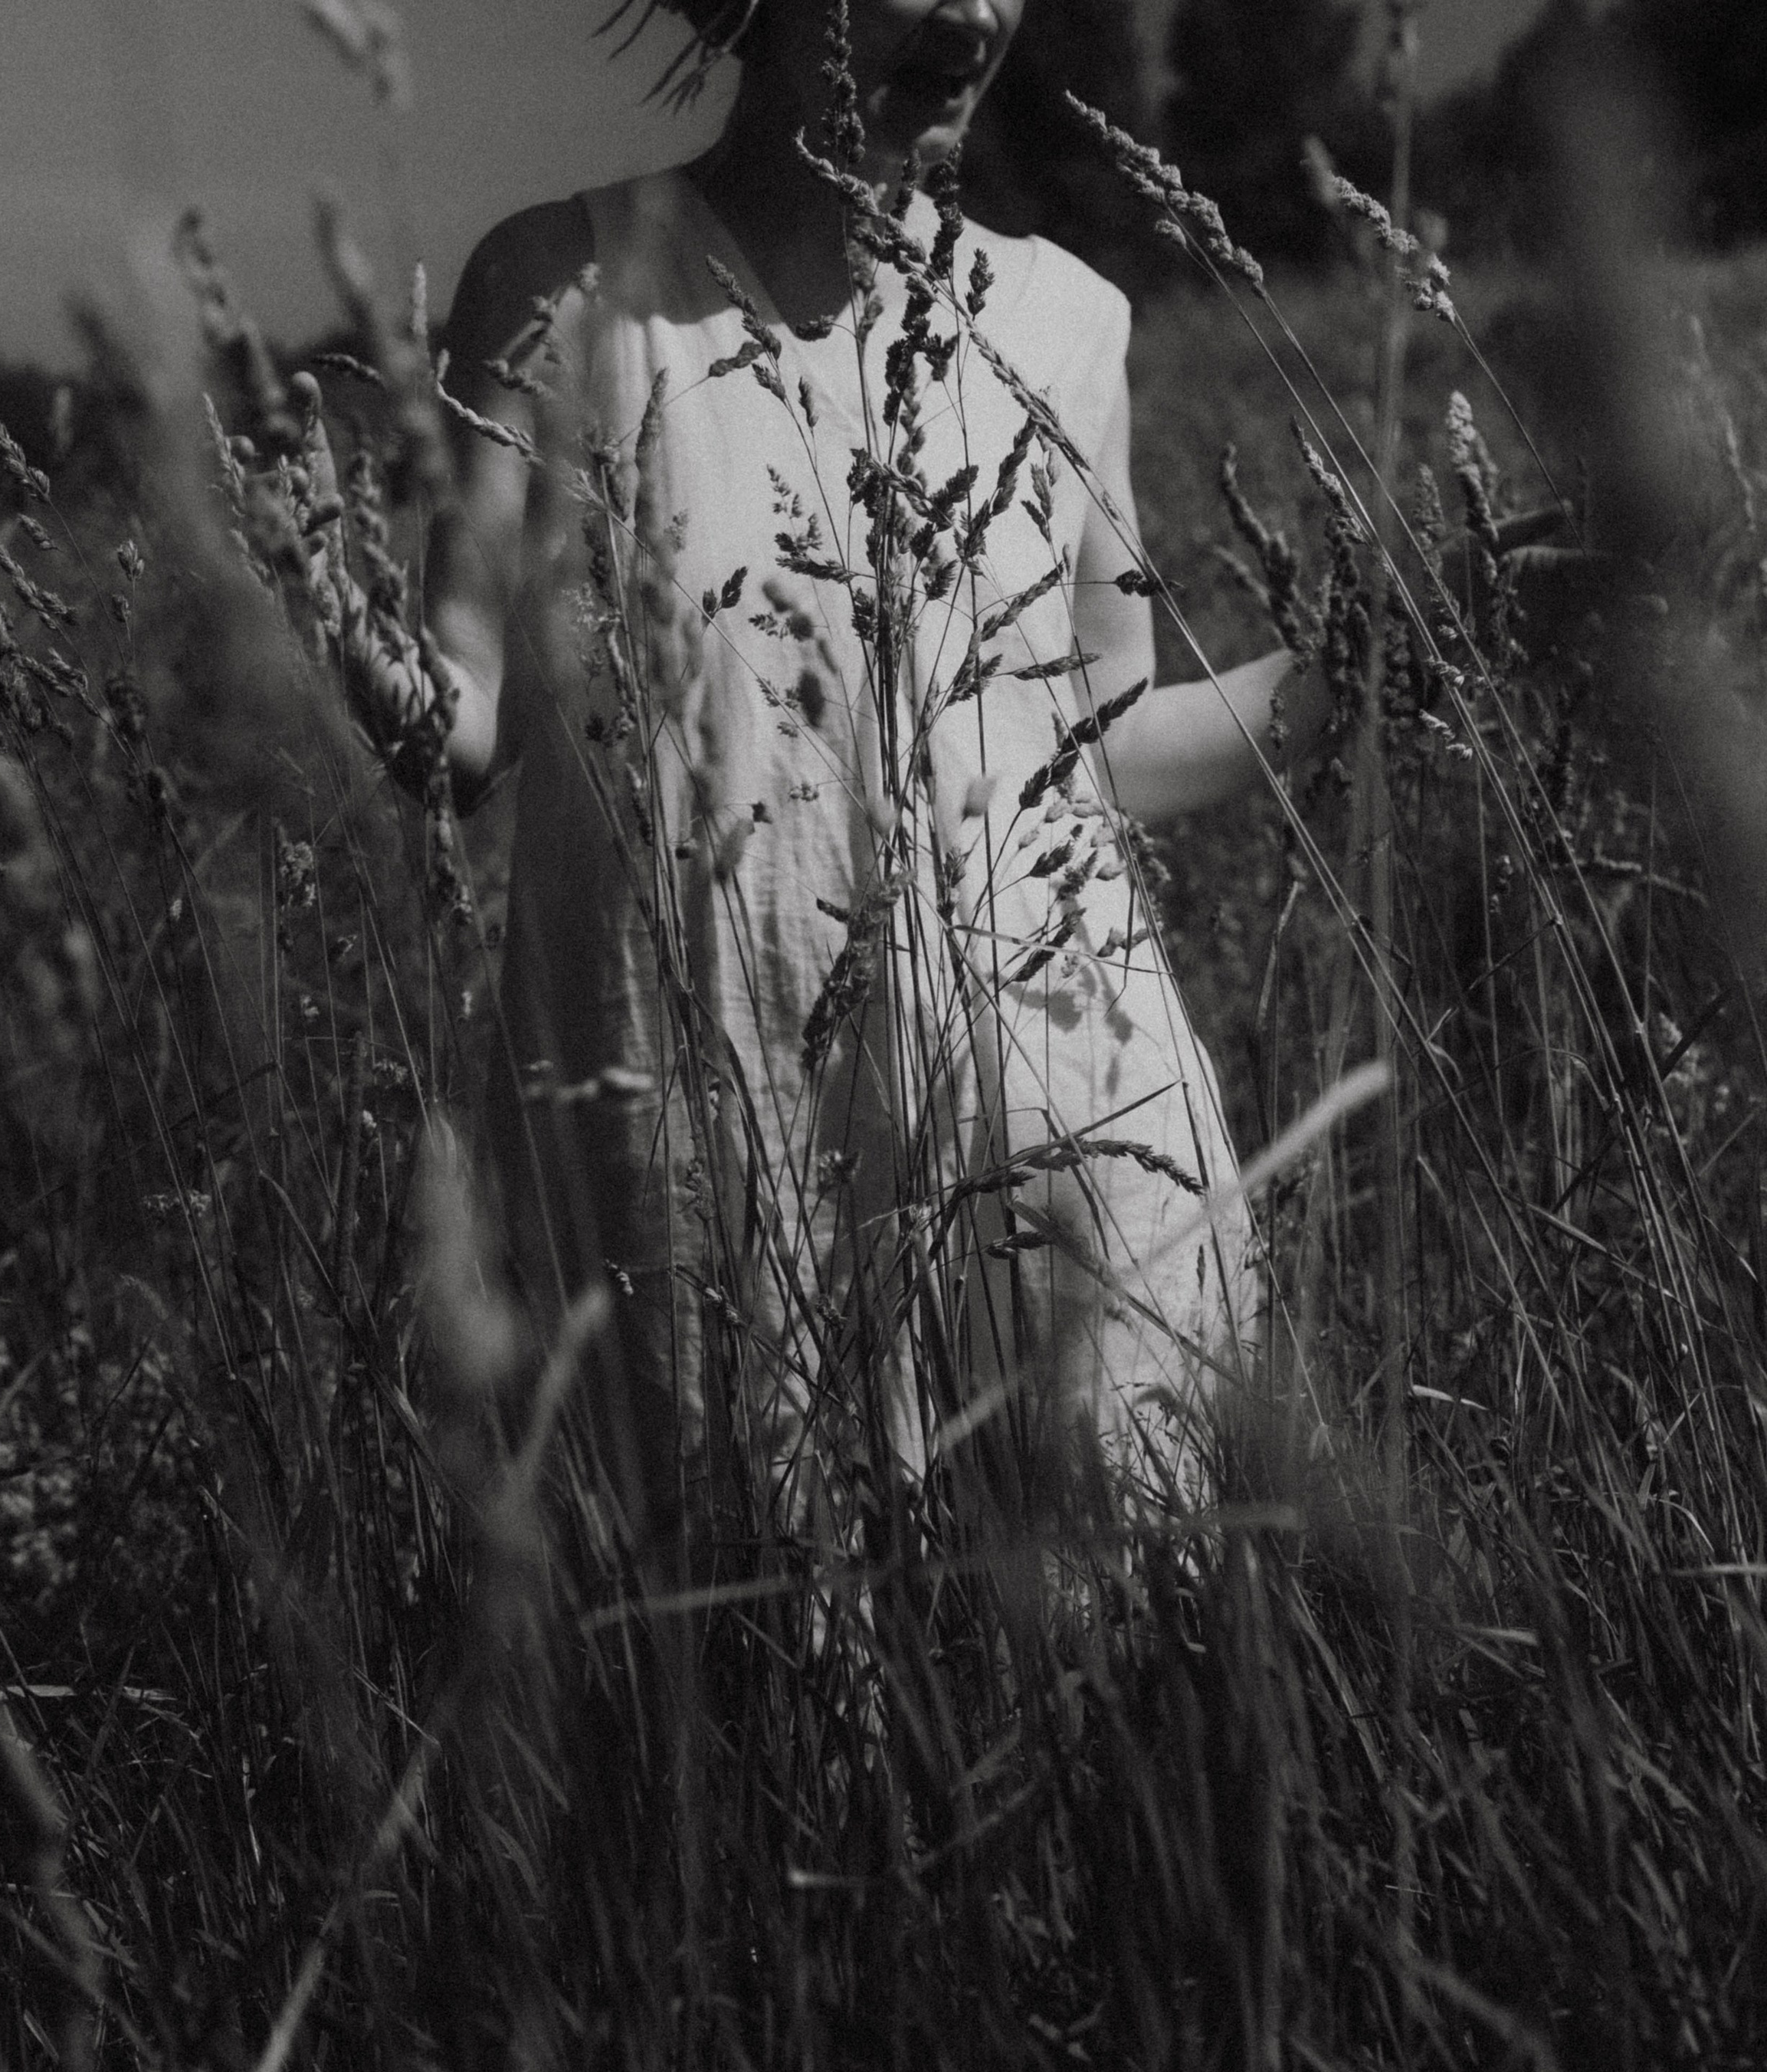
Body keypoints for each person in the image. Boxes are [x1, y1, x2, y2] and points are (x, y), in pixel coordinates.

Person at [310, 0, 1330, 1552]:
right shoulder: (566, 289)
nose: (977, 13)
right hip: (718, 1151)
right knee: (773, 1700)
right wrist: (323, 612)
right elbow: (468, 724)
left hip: (1070, 1135)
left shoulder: (1069, 320)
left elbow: (1104, 744)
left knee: (1110, 1698)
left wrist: (1364, 668)